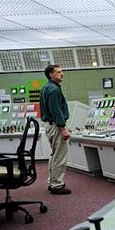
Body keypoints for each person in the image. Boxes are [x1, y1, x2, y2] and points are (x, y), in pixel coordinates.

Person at [40, 65, 71, 195]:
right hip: (56, 126)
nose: (62, 74)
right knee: (59, 156)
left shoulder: (46, 87)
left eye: (62, 71)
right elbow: (56, 111)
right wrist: (63, 129)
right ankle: (57, 185)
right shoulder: (54, 90)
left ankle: (52, 182)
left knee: (54, 155)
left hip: (49, 125)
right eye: (58, 72)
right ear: (51, 74)